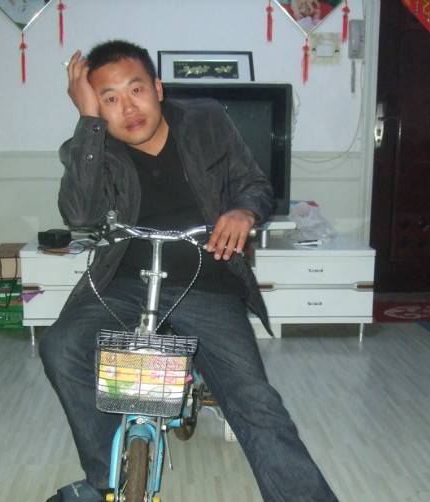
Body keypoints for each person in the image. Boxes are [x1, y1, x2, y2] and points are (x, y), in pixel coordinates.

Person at [39, 39, 338, 502]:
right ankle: (105, 479)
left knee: (256, 404)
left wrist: (243, 210)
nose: (128, 108)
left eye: (136, 89)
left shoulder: (205, 122)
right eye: (109, 99)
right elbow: (80, 215)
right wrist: (88, 123)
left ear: (158, 88)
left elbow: (255, 184)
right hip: (123, 283)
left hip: (207, 283)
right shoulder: (90, 145)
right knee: (60, 347)